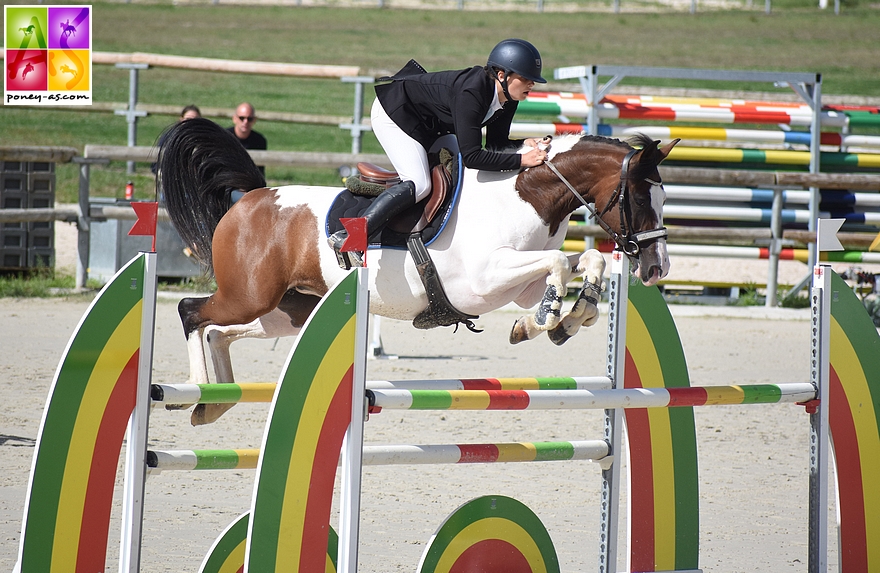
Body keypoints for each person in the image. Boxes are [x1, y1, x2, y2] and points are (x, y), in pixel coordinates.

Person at [328, 38, 551, 268]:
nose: (531, 84)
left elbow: (495, 144)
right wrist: (523, 159)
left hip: (431, 124)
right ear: (502, 75)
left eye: (533, 80)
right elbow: (474, 156)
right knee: (420, 184)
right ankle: (350, 236)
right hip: (396, 114)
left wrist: (525, 143)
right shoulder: (472, 93)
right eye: (525, 78)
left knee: (460, 177)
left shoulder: (508, 99)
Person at [152, 104, 201, 174]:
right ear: (181, 119)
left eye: (195, 120)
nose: (191, 123)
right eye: (188, 119)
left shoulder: (206, 139)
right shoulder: (169, 137)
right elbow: (155, 165)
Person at [227, 102, 267, 175]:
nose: (245, 122)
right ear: (234, 118)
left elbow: (260, 171)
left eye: (249, 119)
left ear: (254, 120)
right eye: (242, 118)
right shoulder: (225, 138)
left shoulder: (259, 140)